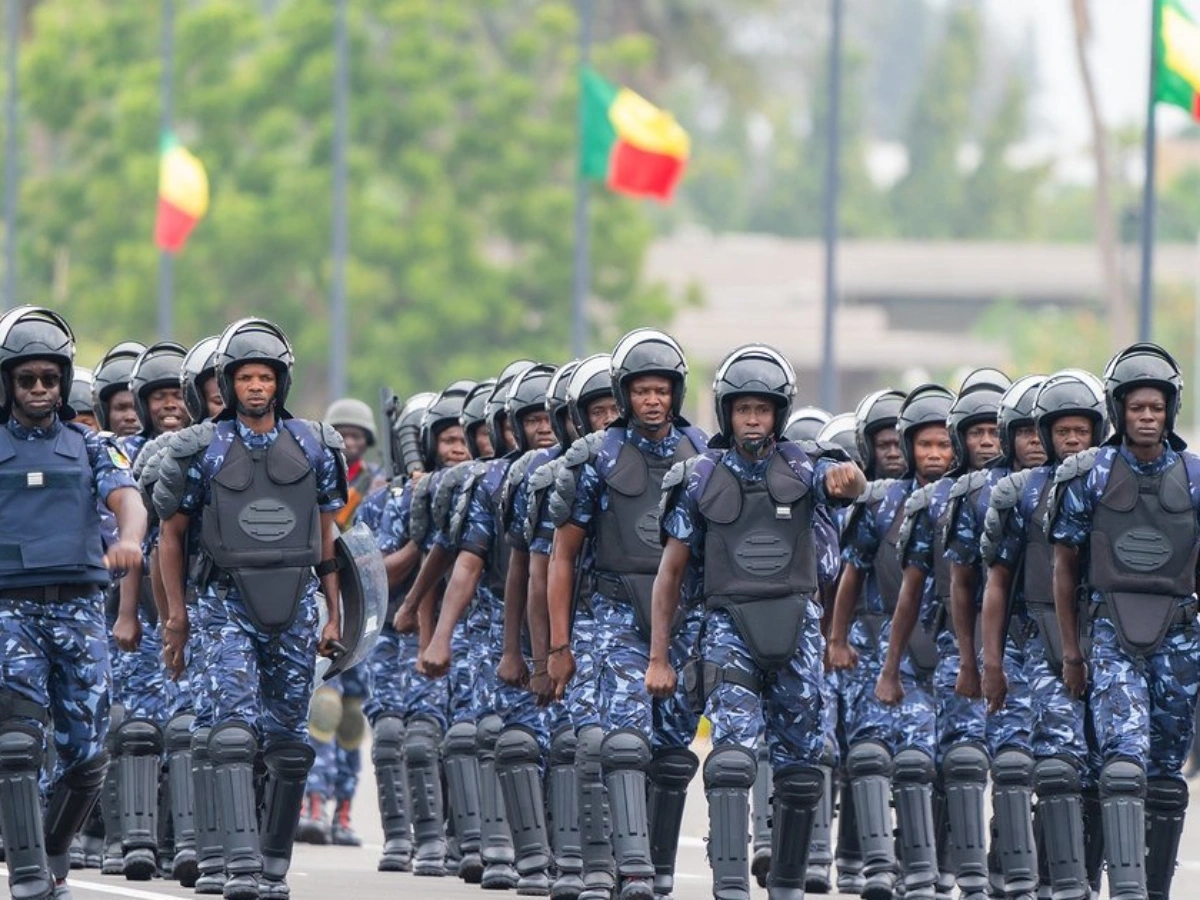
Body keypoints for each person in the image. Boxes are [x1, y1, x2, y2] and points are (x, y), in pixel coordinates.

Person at [650, 344, 863, 900]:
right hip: (727, 626)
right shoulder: (698, 476)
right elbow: (670, 573)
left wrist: (851, 481)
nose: (752, 419)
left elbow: (848, 484)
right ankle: (729, 886)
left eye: (762, 410)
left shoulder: (803, 465)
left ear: (779, 414)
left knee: (799, 767)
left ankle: (787, 884)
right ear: (726, 412)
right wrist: (658, 657)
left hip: (797, 625)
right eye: (743, 409)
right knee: (731, 763)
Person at [153, 317, 347, 900]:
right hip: (222, 602)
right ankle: (233, 864)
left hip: (294, 603)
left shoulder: (315, 445)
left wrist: (336, 613)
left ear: (280, 382)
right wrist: (177, 616)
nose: (255, 387)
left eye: (265, 377)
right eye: (245, 377)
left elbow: (328, 534)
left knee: (287, 744)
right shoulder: (199, 449)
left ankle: (271, 865)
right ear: (228, 383)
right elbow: (170, 535)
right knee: (232, 734)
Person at [547, 329, 709, 900]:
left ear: (676, 393)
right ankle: (615, 868)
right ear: (624, 395)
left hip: (684, 618)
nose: (652, 401)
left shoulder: (703, 456)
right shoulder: (595, 457)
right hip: (610, 610)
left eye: (661, 390)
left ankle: (658, 870)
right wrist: (559, 646)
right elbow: (562, 556)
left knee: (669, 754)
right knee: (616, 743)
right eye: (641, 391)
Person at [0, 306, 147, 900]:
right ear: (7, 382)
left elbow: (127, 497)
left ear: (63, 383)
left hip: (80, 609)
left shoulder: (92, 445)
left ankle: (55, 848)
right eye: (26, 378)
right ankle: (30, 874)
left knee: (87, 756)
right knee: (15, 747)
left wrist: (132, 537)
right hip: (10, 610)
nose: (39, 389)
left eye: (49, 379)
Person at [1049, 343, 1200, 900]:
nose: (1145, 416)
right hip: (1111, 631)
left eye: (1155, 408)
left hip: (1181, 635)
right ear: (1118, 410)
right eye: (1135, 407)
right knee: (1121, 763)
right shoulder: (1088, 476)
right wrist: (1072, 651)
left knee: (1164, 776)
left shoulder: (1195, 476)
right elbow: (1064, 567)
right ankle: (1127, 889)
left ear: (1170, 411)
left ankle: (1155, 889)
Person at [980, 369, 1107, 900]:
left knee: (1107, 773)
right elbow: (992, 582)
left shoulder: (1113, 483)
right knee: (1054, 766)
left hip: (1110, 635)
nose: (1070, 442)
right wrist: (988, 664)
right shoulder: (1017, 495)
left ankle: (1089, 875)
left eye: (1082, 431)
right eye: (1060, 432)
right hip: (1037, 638)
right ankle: (1056, 881)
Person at [828, 384, 951, 900]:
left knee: (929, 760)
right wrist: (836, 637)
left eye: (944, 446)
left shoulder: (965, 500)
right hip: (875, 634)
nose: (933, 456)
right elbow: (852, 574)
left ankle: (923, 868)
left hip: (944, 639)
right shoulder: (879, 502)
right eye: (923, 446)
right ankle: (878, 867)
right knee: (872, 753)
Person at [111, 340, 192, 882]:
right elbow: (138, 547)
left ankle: (185, 841)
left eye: (177, 396)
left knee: (187, 732)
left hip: (201, 609)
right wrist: (127, 613)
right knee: (140, 729)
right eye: (158, 397)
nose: (170, 406)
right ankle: (137, 840)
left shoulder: (202, 448)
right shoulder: (130, 459)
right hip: (141, 605)